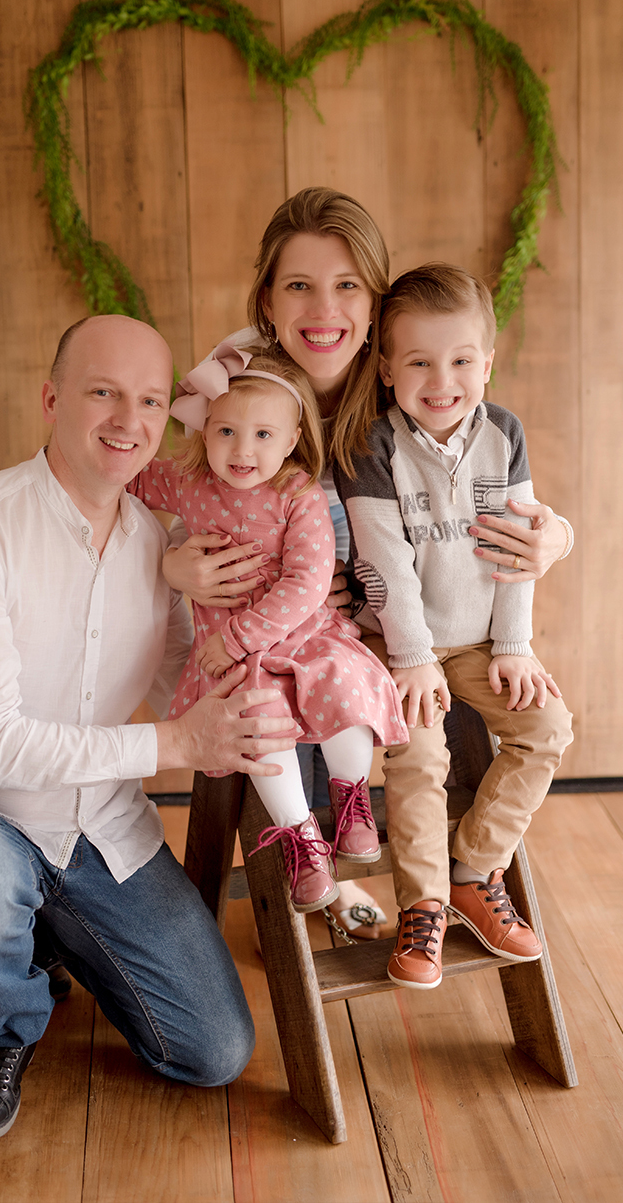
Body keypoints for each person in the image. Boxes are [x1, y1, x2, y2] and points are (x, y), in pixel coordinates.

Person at [0, 314, 300, 1145]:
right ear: (51, 399)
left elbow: (185, 677)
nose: (127, 421)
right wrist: (177, 746)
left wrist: (290, 665)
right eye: (103, 392)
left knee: (213, 1051)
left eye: (148, 399)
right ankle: (4, 1022)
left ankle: (48, 925)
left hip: (97, 829)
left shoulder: (160, 545)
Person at [163, 187, 573, 936]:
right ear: (266, 300)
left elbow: (482, 489)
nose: (325, 309)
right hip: (261, 627)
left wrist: (558, 537)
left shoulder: (408, 380)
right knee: (293, 715)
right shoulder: (241, 379)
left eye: (348, 285)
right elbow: (188, 490)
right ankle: (323, 890)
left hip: (378, 627)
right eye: (299, 286)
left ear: (376, 304)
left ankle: (419, 880)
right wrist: (172, 568)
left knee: (362, 701)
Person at [334, 263, 574, 988]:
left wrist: (513, 646)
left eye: (462, 360)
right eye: (419, 361)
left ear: (487, 363)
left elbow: (518, 547)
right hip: (403, 643)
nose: (443, 379)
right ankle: (424, 906)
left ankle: (473, 866)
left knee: (548, 726)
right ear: (384, 368)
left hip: (478, 640)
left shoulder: (504, 434)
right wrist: (409, 657)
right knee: (419, 754)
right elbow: (383, 563)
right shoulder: (372, 446)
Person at [128, 344, 407, 912]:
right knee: (254, 718)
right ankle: (302, 839)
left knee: (343, 679)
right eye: (226, 431)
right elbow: (127, 478)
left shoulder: (296, 493)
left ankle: (351, 797)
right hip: (237, 661)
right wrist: (158, 554)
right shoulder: (188, 483)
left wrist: (238, 634)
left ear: (291, 436)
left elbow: (307, 583)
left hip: (305, 635)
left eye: (262, 435)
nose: (242, 450)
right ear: (204, 430)